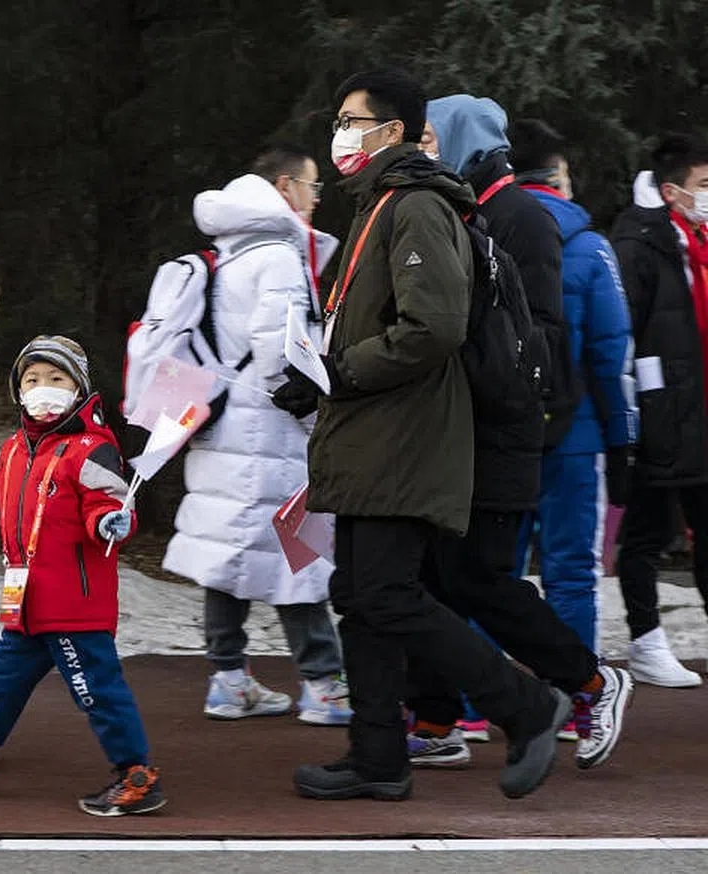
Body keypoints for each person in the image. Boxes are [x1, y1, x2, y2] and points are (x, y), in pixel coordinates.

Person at [274, 68, 568, 802]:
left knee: (387, 593)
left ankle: (527, 707)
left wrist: (338, 371)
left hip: (404, 439)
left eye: (352, 119)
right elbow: (367, 324)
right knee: (359, 593)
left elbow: (432, 328)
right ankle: (377, 757)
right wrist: (312, 370)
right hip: (375, 434)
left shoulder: (417, 207)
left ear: (394, 130)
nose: (339, 133)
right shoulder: (382, 207)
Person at [396, 98, 632, 771]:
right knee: (439, 576)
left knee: (476, 578)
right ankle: (437, 718)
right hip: (465, 429)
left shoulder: (518, 217)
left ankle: (591, 682)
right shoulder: (469, 207)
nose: (426, 147)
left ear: (468, 138)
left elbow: (541, 339)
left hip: (503, 431)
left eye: (435, 136)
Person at [0, 336, 166, 817]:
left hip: (74, 606)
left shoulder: (93, 449)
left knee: (97, 693)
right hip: (26, 603)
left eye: (56, 379)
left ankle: (136, 776)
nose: (42, 389)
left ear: (78, 388)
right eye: (32, 380)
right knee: (0, 683)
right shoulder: (14, 449)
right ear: (18, 391)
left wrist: (111, 521)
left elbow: (109, 504)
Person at [162, 145, 350, 726]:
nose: (317, 199)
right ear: (286, 186)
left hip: (220, 421)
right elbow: (280, 348)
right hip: (270, 431)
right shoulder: (280, 255)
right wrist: (311, 408)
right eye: (313, 187)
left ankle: (229, 679)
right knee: (302, 555)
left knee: (228, 556)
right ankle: (323, 685)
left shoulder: (228, 254)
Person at [508, 117, 638, 670]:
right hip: (575, 433)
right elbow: (613, 355)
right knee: (571, 571)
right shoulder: (589, 246)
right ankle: (573, 696)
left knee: (488, 571)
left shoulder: (478, 231)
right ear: (559, 174)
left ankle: (469, 705)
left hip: (496, 434)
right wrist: (622, 439)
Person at [611, 133, 708, 688]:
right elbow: (626, 336)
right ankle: (646, 642)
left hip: (699, 410)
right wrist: (643, 408)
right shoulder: (638, 245)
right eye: (701, 186)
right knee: (646, 534)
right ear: (672, 192)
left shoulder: (698, 240)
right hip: (659, 416)